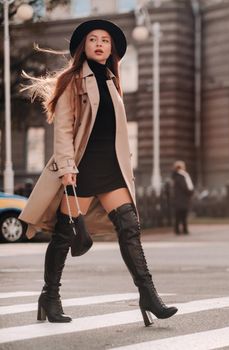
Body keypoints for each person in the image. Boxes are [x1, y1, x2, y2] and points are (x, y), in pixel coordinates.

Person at [19, 19, 176, 326]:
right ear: (84, 47)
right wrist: (66, 168)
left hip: (111, 167)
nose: (100, 44)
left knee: (130, 227)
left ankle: (148, 295)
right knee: (64, 235)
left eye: (105, 40)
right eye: (93, 39)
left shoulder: (111, 80)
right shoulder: (73, 79)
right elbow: (63, 128)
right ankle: (50, 296)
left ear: (112, 49)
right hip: (82, 167)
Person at [171, 161, 194, 235]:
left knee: (179, 215)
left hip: (179, 199)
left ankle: (179, 229)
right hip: (182, 198)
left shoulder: (176, 176)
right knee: (182, 215)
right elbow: (185, 187)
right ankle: (183, 229)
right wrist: (190, 192)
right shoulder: (182, 176)